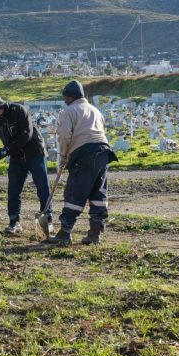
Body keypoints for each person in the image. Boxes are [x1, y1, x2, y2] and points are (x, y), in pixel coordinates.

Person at [46, 80, 116, 246]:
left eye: (65, 97)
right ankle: (95, 234)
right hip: (103, 152)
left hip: (85, 153)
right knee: (98, 192)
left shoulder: (69, 111)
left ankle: (65, 233)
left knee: (75, 191)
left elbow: (64, 135)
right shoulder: (95, 110)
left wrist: (64, 155)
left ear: (70, 96)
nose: (64, 100)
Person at [0, 96, 52, 234]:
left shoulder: (19, 110)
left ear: (2, 107)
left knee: (42, 187)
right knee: (14, 190)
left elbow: (26, 134)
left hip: (35, 153)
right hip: (16, 156)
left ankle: (47, 220)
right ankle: (14, 222)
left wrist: (7, 149)